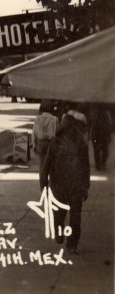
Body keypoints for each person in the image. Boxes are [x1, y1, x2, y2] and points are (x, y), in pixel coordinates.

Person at [40, 109, 91, 254]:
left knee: (59, 214)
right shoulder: (81, 143)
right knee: (76, 216)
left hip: (58, 186)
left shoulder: (55, 141)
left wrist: (43, 185)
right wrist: (86, 186)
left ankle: (59, 232)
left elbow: (46, 165)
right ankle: (72, 245)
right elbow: (86, 167)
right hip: (76, 186)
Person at [32, 100, 59, 171]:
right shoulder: (55, 119)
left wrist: (34, 145)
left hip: (41, 144)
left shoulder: (38, 119)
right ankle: (51, 181)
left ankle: (42, 181)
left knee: (42, 167)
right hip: (51, 144)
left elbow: (34, 133)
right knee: (52, 167)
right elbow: (58, 134)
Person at [89, 105, 112, 171]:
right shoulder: (102, 113)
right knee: (100, 150)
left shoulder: (101, 113)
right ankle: (100, 164)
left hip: (99, 135)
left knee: (101, 150)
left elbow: (108, 125)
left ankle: (100, 164)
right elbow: (109, 124)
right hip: (99, 135)